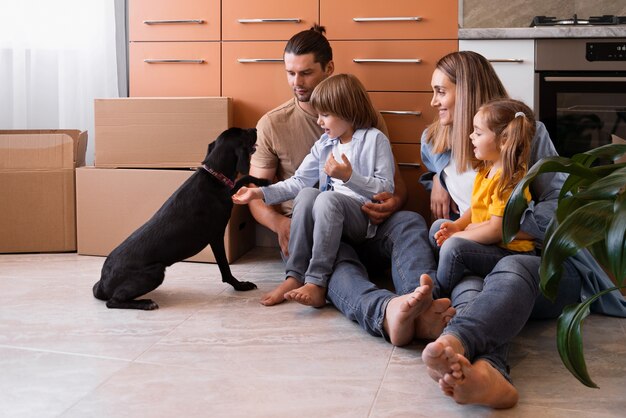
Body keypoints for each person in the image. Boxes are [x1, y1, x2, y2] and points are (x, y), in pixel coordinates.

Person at [414, 51, 626, 408]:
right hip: (480, 254)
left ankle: (454, 340)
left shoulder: (528, 133)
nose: (433, 101)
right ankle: (485, 374)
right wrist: (435, 179)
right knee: (470, 282)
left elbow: (559, 207)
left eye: (440, 91)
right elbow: (457, 188)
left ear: (465, 91)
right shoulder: (434, 139)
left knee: (507, 268)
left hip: (541, 264)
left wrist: (502, 226)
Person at [248, 24, 453, 338]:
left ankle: (423, 302)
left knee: (410, 221)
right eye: (290, 73)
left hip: (365, 220)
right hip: (312, 234)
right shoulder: (275, 124)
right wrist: (279, 222)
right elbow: (292, 184)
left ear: (328, 69)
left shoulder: (367, 126)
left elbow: (392, 186)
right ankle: (386, 312)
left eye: (305, 73)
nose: (296, 82)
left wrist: (392, 203)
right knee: (332, 258)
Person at [234, 73, 395, 308]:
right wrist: (258, 193)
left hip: (360, 216)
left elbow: (386, 187)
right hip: (328, 213)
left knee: (327, 198)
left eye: (325, 115)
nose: (319, 121)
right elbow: (298, 181)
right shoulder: (325, 144)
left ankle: (317, 283)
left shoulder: (374, 139)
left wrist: (350, 178)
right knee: (308, 194)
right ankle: (295, 276)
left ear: (347, 111)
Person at [432, 99, 536, 298]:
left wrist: (457, 236)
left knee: (453, 247)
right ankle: (445, 280)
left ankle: (439, 298)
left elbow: (496, 231)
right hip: (488, 242)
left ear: (503, 141)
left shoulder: (509, 179)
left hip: (509, 251)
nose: (471, 136)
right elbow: (476, 208)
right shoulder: (487, 169)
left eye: (478, 133)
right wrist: (458, 225)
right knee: (438, 227)